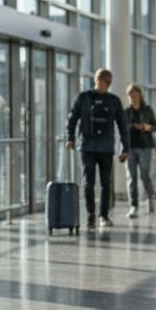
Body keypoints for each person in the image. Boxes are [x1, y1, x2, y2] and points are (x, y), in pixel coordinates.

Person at [66, 68, 129, 229]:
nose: (102, 83)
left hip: (106, 147)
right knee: (88, 182)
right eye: (100, 79)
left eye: (105, 81)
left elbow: (123, 125)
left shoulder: (114, 101)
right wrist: (70, 137)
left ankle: (103, 215)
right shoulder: (84, 97)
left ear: (109, 83)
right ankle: (91, 215)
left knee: (105, 183)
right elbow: (72, 118)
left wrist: (125, 148)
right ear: (95, 80)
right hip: (87, 146)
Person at [124, 84, 156, 217]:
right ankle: (133, 206)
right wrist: (131, 127)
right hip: (130, 147)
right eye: (130, 95)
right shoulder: (126, 112)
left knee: (144, 175)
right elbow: (122, 128)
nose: (133, 97)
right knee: (131, 177)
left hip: (145, 146)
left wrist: (148, 127)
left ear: (140, 95)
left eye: (135, 94)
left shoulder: (147, 110)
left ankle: (150, 199)